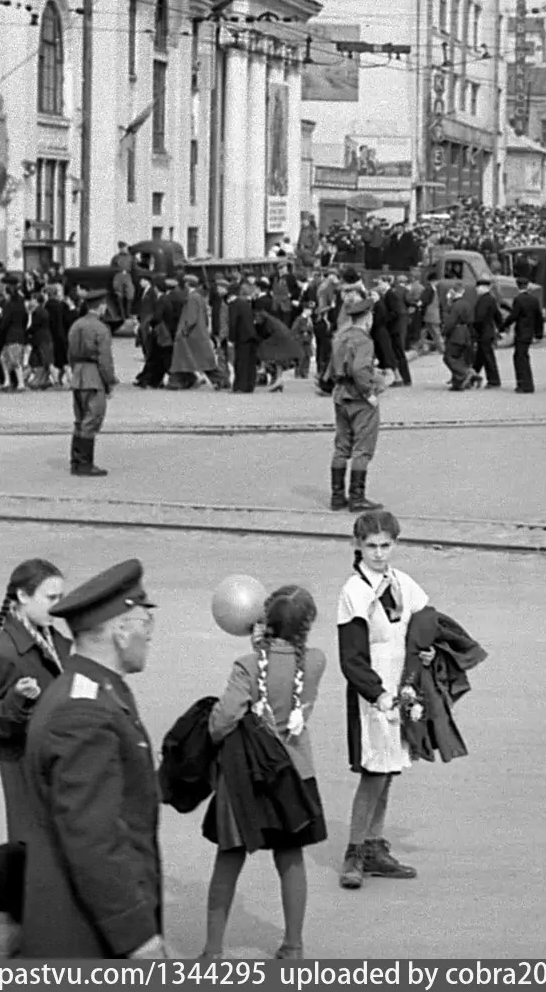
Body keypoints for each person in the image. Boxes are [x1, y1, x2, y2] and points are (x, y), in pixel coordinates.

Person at [19, 559, 166, 959]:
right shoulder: (83, 712)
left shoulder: (96, 689)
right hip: (86, 940)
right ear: (120, 632)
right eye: (144, 623)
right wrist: (138, 937)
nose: (149, 635)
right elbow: (93, 839)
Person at [201, 585, 328, 960]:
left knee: (229, 858)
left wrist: (258, 646)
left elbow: (222, 721)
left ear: (263, 621)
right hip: (294, 773)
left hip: (246, 776)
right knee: (290, 858)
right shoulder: (316, 661)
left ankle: (212, 951)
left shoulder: (248, 665)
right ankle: (293, 945)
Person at [336, 512, 428, 891]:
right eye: (371, 546)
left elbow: (423, 622)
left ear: (396, 544)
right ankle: (354, 853)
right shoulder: (354, 592)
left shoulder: (402, 582)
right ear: (357, 546)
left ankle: (374, 845)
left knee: (390, 770)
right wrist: (378, 694)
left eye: (385, 545)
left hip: (400, 688)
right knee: (374, 772)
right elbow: (351, 658)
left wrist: (426, 654)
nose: (378, 553)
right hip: (371, 695)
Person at [0, 558, 69, 845]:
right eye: (50, 597)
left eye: (60, 598)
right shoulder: (8, 652)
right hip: (30, 776)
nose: (56, 606)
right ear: (22, 596)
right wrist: (18, 699)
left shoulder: (49, 636)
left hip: (54, 765)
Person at [328, 289, 385, 515]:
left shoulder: (340, 336)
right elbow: (359, 368)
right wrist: (369, 391)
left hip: (340, 393)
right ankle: (357, 497)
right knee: (363, 447)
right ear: (368, 317)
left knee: (342, 446)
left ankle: (336, 495)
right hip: (358, 397)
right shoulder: (364, 340)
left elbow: (332, 366)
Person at [66, 287, 115, 477]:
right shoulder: (101, 328)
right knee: (93, 418)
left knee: (79, 419)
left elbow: (70, 353)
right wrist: (109, 381)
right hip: (94, 376)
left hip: (78, 374)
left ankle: (76, 461)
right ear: (101, 306)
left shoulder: (76, 325)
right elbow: (105, 359)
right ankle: (86, 464)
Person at [507, 282, 543, 394]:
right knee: (523, 356)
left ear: (517, 286)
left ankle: (524, 384)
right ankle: (526, 384)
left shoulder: (518, 299)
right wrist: (538, 333)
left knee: (520, 358)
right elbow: (539, 317)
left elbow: (514, 315)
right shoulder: (534, 299)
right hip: (529, 332)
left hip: (521, 332)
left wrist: (503, 326)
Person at [470, 278, 503, 390]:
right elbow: (497, 315)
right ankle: (471, 377)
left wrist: (474, 329)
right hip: (488, 332)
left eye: (478, 287)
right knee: (480, 358)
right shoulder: (491, 299)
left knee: (488, 358)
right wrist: (501, 328)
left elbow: (479, 318)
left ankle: (494, 381)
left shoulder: (483, 300)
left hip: (483, 332)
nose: (476, 289)